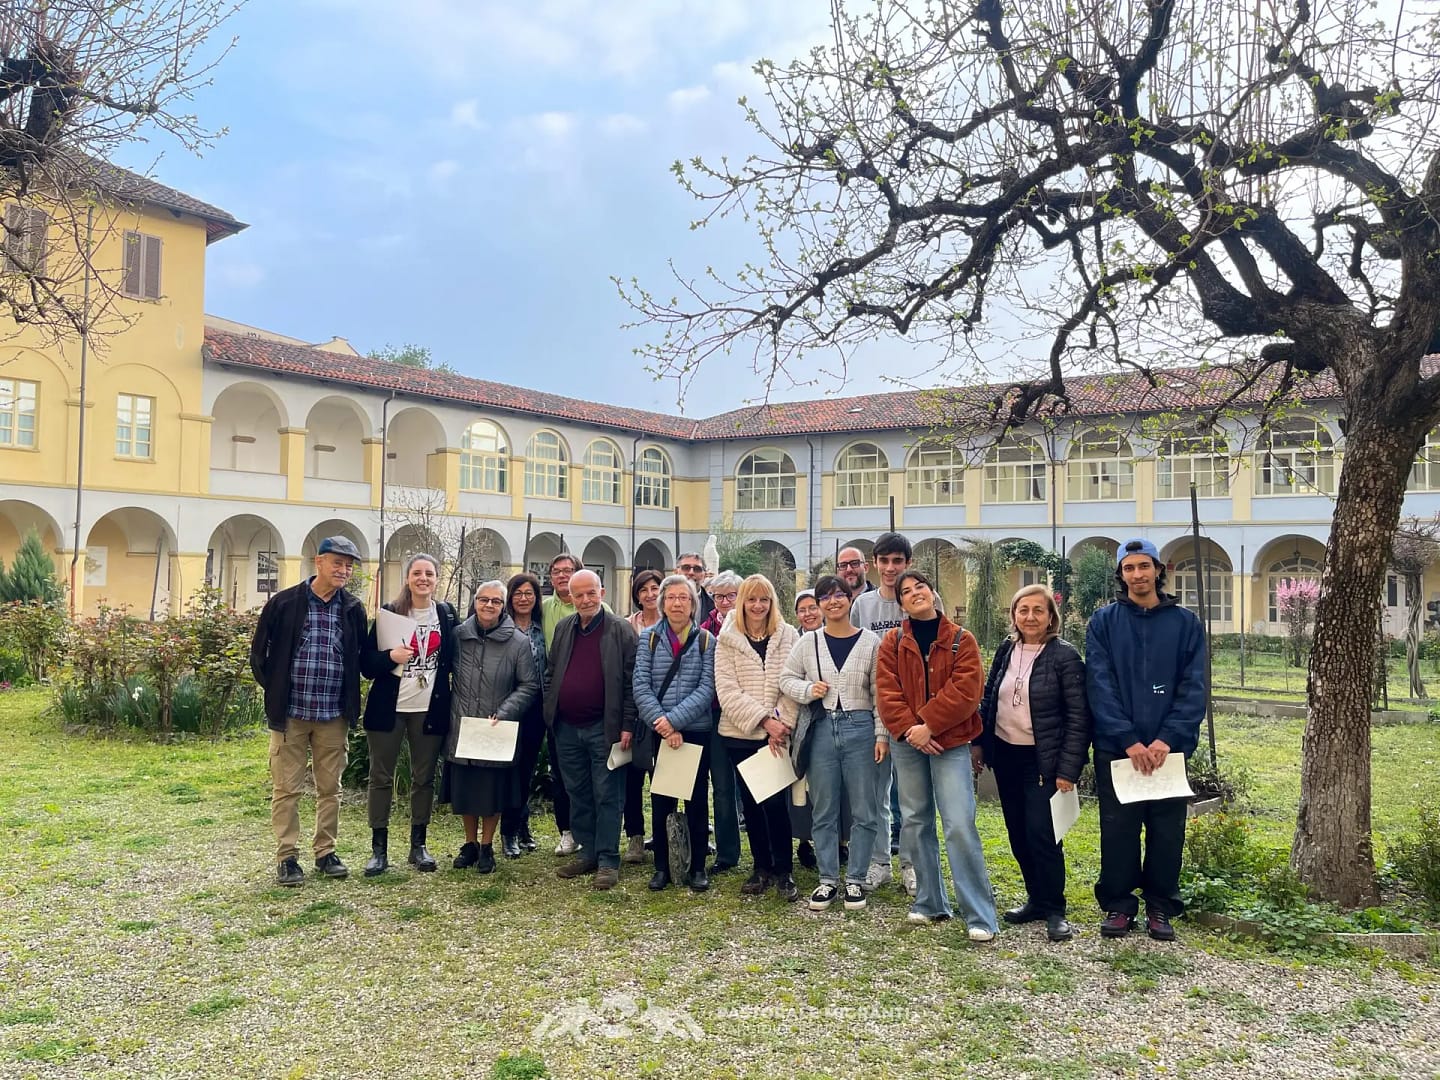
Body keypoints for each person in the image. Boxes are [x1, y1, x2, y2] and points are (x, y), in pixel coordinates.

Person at [1088, 538, 1207, 942]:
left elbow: (1194, 687)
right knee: (1118, 829)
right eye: (1129, 568)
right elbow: (1099, 685)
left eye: (1144, 566)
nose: (1137, 574)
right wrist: (1127, 739)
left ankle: (1160, 905)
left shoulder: (1186, 624)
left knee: (1166, 831)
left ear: (1159, 570)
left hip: (1166, 752)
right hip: (1118, 749)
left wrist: (1166, 739)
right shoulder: (1103, 623)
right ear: (1121, 575)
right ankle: (1119, 905)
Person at [876, 569, 998, 939]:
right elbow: (887, 691)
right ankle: (930, 901)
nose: (915, 593)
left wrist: (929, 725)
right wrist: (913, 731)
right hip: (907, 745)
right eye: (906, 591)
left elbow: (967, 691)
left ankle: (979, 915)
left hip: (951, 743)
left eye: (921, 587)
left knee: (959, 823)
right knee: (915, 820)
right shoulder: (893, 642)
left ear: (933, 593)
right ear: (900, 603)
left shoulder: (962, 639)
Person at [250, 536, 368, 886]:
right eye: (338, 563)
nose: (344, 570)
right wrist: (276, 690)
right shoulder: (284, 603)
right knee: (287, 788)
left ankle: (325, 852)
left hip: (333, 715)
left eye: (349, 566)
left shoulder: (353, 609)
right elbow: (259, 655)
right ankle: (287, 857)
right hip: (291, 714)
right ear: (319, 562)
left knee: (330, 788)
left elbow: (360, 659)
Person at [977, 584, 1090, 942]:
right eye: (1022, 610)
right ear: (1013, 615)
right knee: (1018, 833)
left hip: (1044, 762)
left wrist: (1068, 770)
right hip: (1006, 755)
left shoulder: (1064, 656)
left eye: (1038, 610)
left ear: (1050, 617)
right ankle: (1036, 900)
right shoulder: (1006, 649)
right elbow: (989, 697)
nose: (1030, 617)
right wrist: (980, 745)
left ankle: (1055, 909)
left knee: (1043, 834)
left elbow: (1079, 717)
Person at [780, 574, 885, 913]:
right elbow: (786, 678)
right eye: (825, 597)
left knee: (864, 809)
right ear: (819, 604)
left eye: (839, 594)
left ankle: (855, 878)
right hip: (822, 727)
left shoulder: (870, 642)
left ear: (850, 599)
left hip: (861, 727)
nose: (833, 601)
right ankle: (827, 879)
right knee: (823, 808)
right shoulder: (808, 642)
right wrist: (808, 690)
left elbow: (880, 693)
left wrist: (881, 734)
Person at [358, 552, 458, 876]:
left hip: (428, 709)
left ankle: (419, 846)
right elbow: (366, 664)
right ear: (407, 578)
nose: (423, 578)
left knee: (423, 778)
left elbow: (455, 658)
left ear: (437, 579)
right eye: (417, 573)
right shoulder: (390, 613)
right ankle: (379, 850)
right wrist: (390, 656)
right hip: (389, 709)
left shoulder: (446, 614)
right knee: (381, 777)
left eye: (429, 573)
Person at [544, 569, 641, 890]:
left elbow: (632, 682)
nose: (585, 600)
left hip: (605, 728)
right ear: (570, 597)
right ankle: (588, 852)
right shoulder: (564, 628)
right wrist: (551, 709)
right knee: (578, 793)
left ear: (602, 592)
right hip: (567, 728)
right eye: (579, 595)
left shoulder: (620, 630)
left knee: (607, 794)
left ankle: (608, 859)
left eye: (591, 593)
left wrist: (628, 724)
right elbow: (552, 672)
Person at [442, 580, 539, 873]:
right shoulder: (458, 635)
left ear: (502, 606)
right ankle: (470, 844)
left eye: (496, 601)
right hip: (463, 724)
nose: (489, 605)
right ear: (475, 602)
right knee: (466, 789)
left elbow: (529, 684)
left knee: (491, 791)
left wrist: (505, 712)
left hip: (495, 727)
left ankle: (487, 846)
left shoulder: (518, 641)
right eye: (484, 599)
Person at [715, 574, 801, 901]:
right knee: (751, 804)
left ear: (771, 602)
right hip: (741, 733)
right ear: (742, 602)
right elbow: (727, 690)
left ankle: (784, 870)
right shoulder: (727, 639)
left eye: (764, 599)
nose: (757, 605)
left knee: (776, 804)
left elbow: (793, 683)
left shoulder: (788, 635)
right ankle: (761, 866)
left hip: (777, 734)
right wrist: (764, 720)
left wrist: (780, 723)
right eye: (751, 599)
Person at [633, 575, 717, 892]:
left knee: (696, 800)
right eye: (671, 597)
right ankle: (662, 867)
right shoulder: (649, 639)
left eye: (684, 597)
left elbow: (707, 688)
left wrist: (675, 722)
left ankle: (698, 867)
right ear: (662, 603)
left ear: (693, 604)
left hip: (695, 731)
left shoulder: (707, 640)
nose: (677, 603)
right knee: (662, 799)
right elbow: (641, 686)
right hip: (660, 732)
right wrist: (663, 724)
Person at [851, 531, 913, 895]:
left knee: (913, 797)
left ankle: (912, 863)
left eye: (897, 561)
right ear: (874, 564)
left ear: (908, 563)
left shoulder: (921, 596)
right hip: (875, 711)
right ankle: (879, 863)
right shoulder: (863, 606)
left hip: (912, 715)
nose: (891, 568)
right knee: (876, 795)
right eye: (884, 561)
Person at [540, 552, 586, 855]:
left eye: (568, 570)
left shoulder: (597, 607)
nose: (561, 575)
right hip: (555, 702)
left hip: (589, 705)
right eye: (556, 571)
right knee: (560, 771)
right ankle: (566, 831)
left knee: (588, 774)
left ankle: (589, 831)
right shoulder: (543, 609)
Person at [699, 569, 744, 873]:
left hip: (747, 712)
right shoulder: (704, 630)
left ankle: (768, 850)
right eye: (719, 596)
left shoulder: (751, 626)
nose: (725, 601)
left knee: (755, 782)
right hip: (715, 713)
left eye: (731, 596)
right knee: (723, 785)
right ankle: (727, 854)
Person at [500, 571, 547, 857]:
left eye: (529, 593)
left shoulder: (542, 629)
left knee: (526, 769)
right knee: (510, 770)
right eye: (517, 593)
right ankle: (508, 832)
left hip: (536, 708)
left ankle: (521, 824)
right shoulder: (503, 627)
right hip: (508, 704)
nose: (523, 598)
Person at [621, 569, 664, 864]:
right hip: (633, 712)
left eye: (654, 588)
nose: (650, 594)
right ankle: (635, 836)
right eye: (643, 590)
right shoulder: (627, 626)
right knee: (632, 778)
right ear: (637, 595)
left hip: (665, 713)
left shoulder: (673, 624)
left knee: (664, 778)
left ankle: (665, 835)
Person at [678, 551, 715, 625]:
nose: (691, 572)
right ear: (676, 572)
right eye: (686, 568)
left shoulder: (714, 604)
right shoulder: (663, 601)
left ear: (705, 575)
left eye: (697, 569)